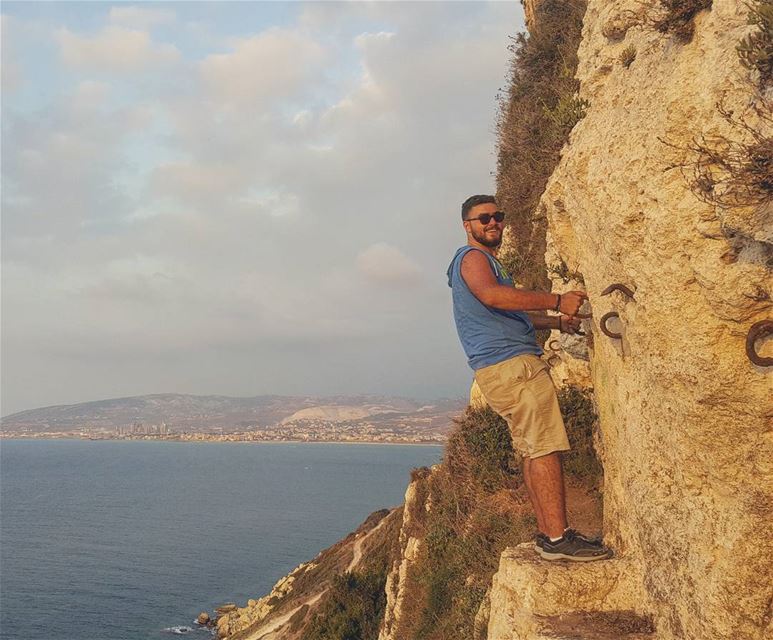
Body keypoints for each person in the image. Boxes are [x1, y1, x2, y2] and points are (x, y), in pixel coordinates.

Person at [446, 194, 611, 562]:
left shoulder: (488, 263)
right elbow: (493, 297)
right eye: (483, 218)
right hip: (512, 367)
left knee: (531, 449)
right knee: (544, 446)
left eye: (498, 216)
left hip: (503, 368)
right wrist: (556, 300)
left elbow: (505, 313)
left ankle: (546, 533)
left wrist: (555, 323)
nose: (493, 223)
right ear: (467, 225)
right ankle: (557, 539)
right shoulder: (472, 259)